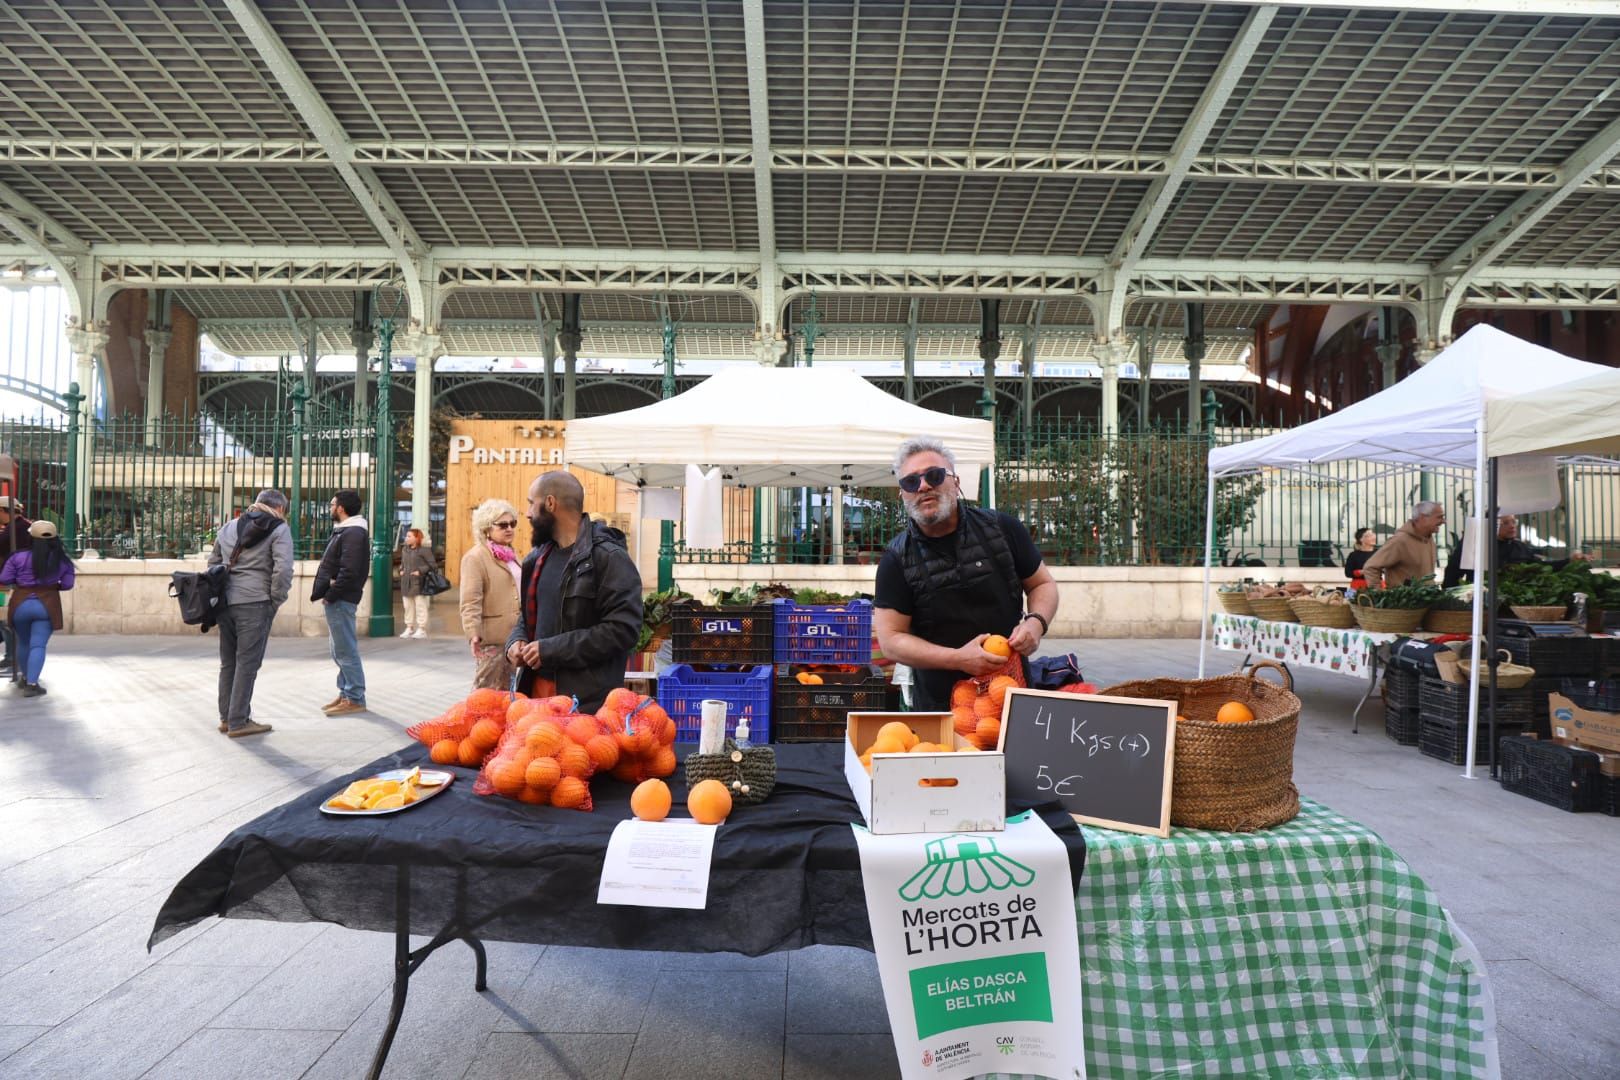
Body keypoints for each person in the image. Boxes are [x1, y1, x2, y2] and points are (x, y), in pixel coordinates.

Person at [872, 436, 1058, 712]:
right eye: (911, 482)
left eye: (934, 475)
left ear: (956, 481)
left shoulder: (1002, 529)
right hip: (942, 705)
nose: (923, 486)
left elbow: (1042, 584)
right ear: (903, 494)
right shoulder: (896, 559)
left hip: (1009, 690)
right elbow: (892, 642)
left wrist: (1036, 622)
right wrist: (958, 658)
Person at [505, 471, 641, 712]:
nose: (526, 513)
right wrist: (515, 641)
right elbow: (528, 617)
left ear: (550, 503)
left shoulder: (609, 558)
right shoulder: (535, 559)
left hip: (588, 707)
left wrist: (552, 649)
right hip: (535, 699)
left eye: (530, 503)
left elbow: (623, 630)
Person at [209, 490, 293, 738]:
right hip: (256, 602)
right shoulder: (278, 528)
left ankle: (226, 718)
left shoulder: (229, 526)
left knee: (229, 662)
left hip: (226, 602)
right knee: (248, 663)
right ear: (279, 508)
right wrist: (276, 599)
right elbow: (284, 569)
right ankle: (239, 721)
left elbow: (213, 561)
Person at [1, 519, 75, 697]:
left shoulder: (17, 557)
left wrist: (20, 582)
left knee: (23, 643)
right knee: (38, 645)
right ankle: (32, 684)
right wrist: (51, 586)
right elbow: (67, 584)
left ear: (30, 537)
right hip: (47, 605)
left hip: (20, 604)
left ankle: (25, 678)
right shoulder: (63, 561)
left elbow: (4, 578)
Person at [312, 489, 370, 715]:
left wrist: (331, 594)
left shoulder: (353, 532)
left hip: (342, 597)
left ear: (341, 508)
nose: (330, 508)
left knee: (345, 649)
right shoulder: (347, 530)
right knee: (339, 649)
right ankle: (346, 692)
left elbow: (349, 570)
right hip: (340, 596)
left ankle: (355, 697)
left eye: (332, 504)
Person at [460, 499, 522, 690]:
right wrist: (473, 634)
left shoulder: (511, 555)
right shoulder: (475, 557)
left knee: (507, 695)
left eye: (512, 524)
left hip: (515, 638)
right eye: (503, 525)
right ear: (487, 528)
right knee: (485, 694)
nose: (509, 529)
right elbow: (470, 600)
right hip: (492, 640)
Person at [1442, 513, 1587, 588]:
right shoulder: (1473, 546)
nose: (1512, 526)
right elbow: (1452, 574)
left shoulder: (1519, 547)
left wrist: (1569, 560)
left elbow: (1541, 567)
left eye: (1513, 521)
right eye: (1505, 523)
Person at [1362, 500, 1445, 588]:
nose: (1443, 521)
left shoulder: (1428, 538)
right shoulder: (1400, 541)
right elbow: (1370, 567)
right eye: (1439, 517)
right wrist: (1378, 594)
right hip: (1405, 600)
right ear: (1423, 517)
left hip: (1426, 599)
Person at [0, 496, 31, 676]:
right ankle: (11, 657)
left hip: (11, 582)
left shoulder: (15, 529)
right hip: (14, 581)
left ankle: (13, 658)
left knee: (6, 621)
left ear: (4, 511)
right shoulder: (21, 526)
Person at [399, 527, 438, 639]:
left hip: (418, 582)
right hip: (406, 582)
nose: (406, 538)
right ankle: (409, 627)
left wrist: (420, 571)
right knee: (407, 606)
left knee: (420, 606)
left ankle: (421, 629)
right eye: (407, 536)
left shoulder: (424, 550)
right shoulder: (404, 550)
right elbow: (403, 563)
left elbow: (433, 565)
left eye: (409, 536)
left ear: (417, 538)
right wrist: (401, 570)